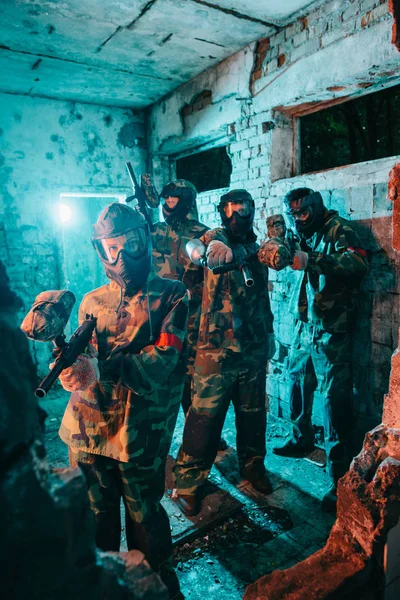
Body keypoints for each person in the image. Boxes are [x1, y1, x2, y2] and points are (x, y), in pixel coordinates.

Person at [57, 203, 188, 599]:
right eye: (110, 248)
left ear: (144, 241)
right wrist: (72, 370)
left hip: (140, 432)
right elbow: (85, 357)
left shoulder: (171, 294)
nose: (120, 257)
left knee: (144, 518)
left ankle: (158, 588)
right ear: (100, 251)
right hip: (87, 430)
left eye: (129, 245)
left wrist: (101, 369)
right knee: (95, 521)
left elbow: (163, 361)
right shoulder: (92, 301)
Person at [262, 187, 368, 512]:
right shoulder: (299, 231)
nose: (298, 219)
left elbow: (358, 263)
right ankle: (300, 437)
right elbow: (286, 249)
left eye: (303, 213)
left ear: (316, 208)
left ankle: (339, 479)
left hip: (332, 325)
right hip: (304, 321)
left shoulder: (340, 229)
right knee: (295, 379)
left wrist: (315, 260)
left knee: (334, 398)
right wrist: (276, 246)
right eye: (293, 214)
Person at [173, 189, 275, 516]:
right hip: (214, 351)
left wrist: (270, 336)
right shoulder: (213, 239)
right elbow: (198, 247)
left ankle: (252, 465)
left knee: (253, 414)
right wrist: (213, 246)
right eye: (231, 209)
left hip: (254, 348)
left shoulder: (259, 249)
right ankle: (187, 484)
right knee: (203, 420)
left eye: (244, 209)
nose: (237, 216)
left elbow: (264, 293)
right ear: (221, 211)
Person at [151, 180, 209, 415]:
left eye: (173, 201)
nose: (168, 205)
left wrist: (191, 294)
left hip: (191, 319)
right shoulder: (154, 231)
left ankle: (196, 439)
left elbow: (212, 282)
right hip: (157, 316)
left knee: (191, 378)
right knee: (157, 372)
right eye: (165, 200)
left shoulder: (203, 235)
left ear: (185, 203)